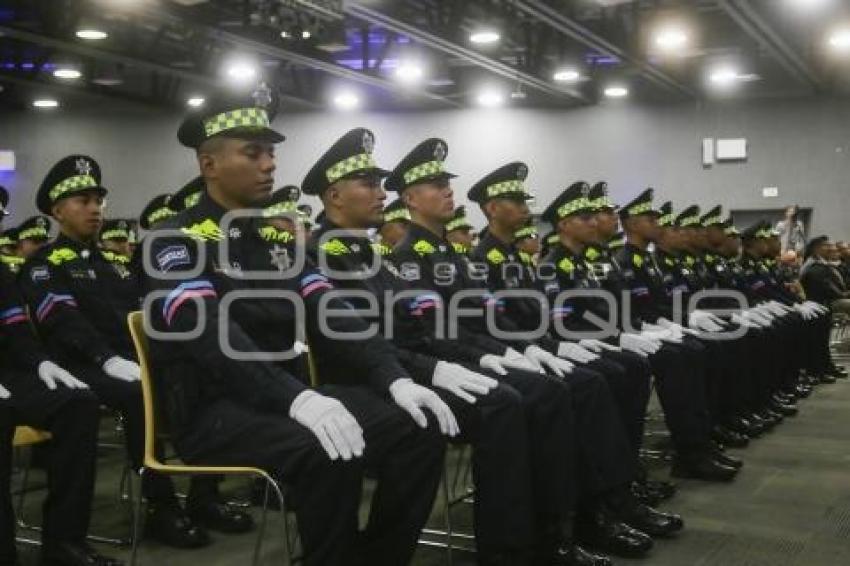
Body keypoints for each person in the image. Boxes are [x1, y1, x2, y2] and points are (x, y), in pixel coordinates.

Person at [143, 97, 451, 566]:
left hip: (282, 398)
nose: (269, 164)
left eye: (271, 154)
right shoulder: (175, 239)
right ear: (209, 163)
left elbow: (335, 312)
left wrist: (394, 376)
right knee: (326, 450)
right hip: (213, 409)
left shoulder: (276, 243)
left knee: (418, 427)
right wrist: (297, 398)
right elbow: (210, 336)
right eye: (252, 153)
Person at [392, 141, 682, 560]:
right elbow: (437, 333)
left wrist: (536, 347)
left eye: (445, 182)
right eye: (434, 184)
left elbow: (491, 319)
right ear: (410, 198)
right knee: (561, 392)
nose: (447, 190)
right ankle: (554, 529)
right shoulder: (410, 259)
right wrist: (506, 353)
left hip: (483, 352)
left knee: (596, 378)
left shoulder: (452, 257)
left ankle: (595, 506)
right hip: (452, 366)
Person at [19, 155, 253, 551]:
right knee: (136, 394)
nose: (95, 209)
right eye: (82, 201)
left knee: (204, 372)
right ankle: (160, 506)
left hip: (129, 360)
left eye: (98, 200)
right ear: (57, 211)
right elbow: (62, 320)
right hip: (76, 368)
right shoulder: (44, 264)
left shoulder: (113, 265)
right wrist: (105, 358)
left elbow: (146, 310)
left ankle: (205, 493)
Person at [801, 236, 850, 315]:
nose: (832, 249)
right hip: (823, 303)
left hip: (832, 299)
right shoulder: (815, 267)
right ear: (816, 249)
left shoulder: (826, 265)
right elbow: (832, 292)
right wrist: (845, 294)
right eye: (827, 246)